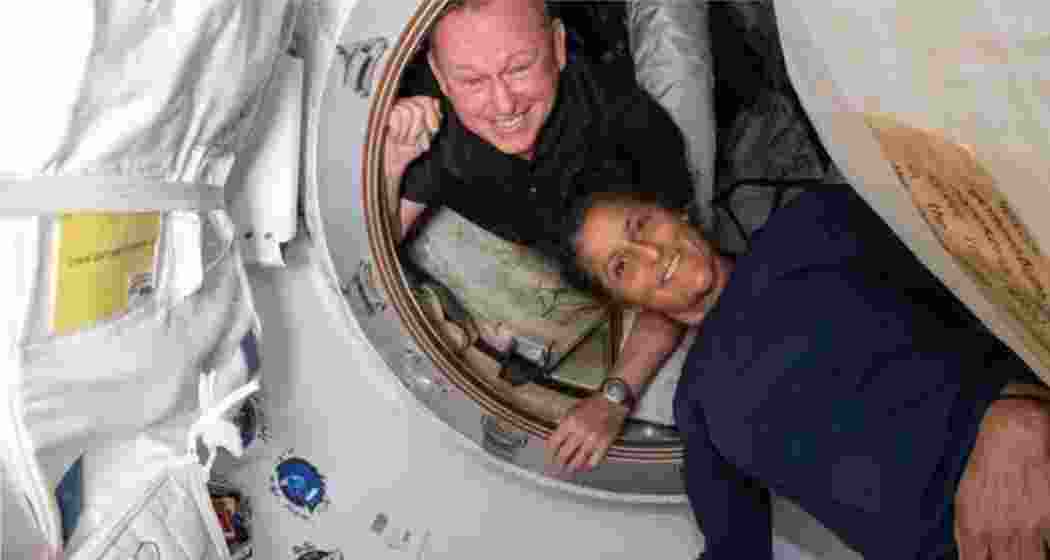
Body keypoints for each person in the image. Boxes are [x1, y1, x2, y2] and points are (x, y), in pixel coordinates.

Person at [558, 178, 1050, 559]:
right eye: (622, 267)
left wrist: (1018, 411)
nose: (652, 254)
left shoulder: (811, 224)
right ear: (627, 304)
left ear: (675, 211)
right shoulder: (697, 406)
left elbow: (997, 279)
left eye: (641, 225)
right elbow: (735, 553)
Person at [383, 0, 697, 473]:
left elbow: (683, 276)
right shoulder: (431, 124)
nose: (504, 104)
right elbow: (377, 248)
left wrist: (614, 397)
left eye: (519, 68)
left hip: (615, 68)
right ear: (441, 78)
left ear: (557, 44)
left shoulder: (630, 126)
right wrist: (391, 160)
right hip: (534, 251)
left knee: (676, 52)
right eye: (471, 81)